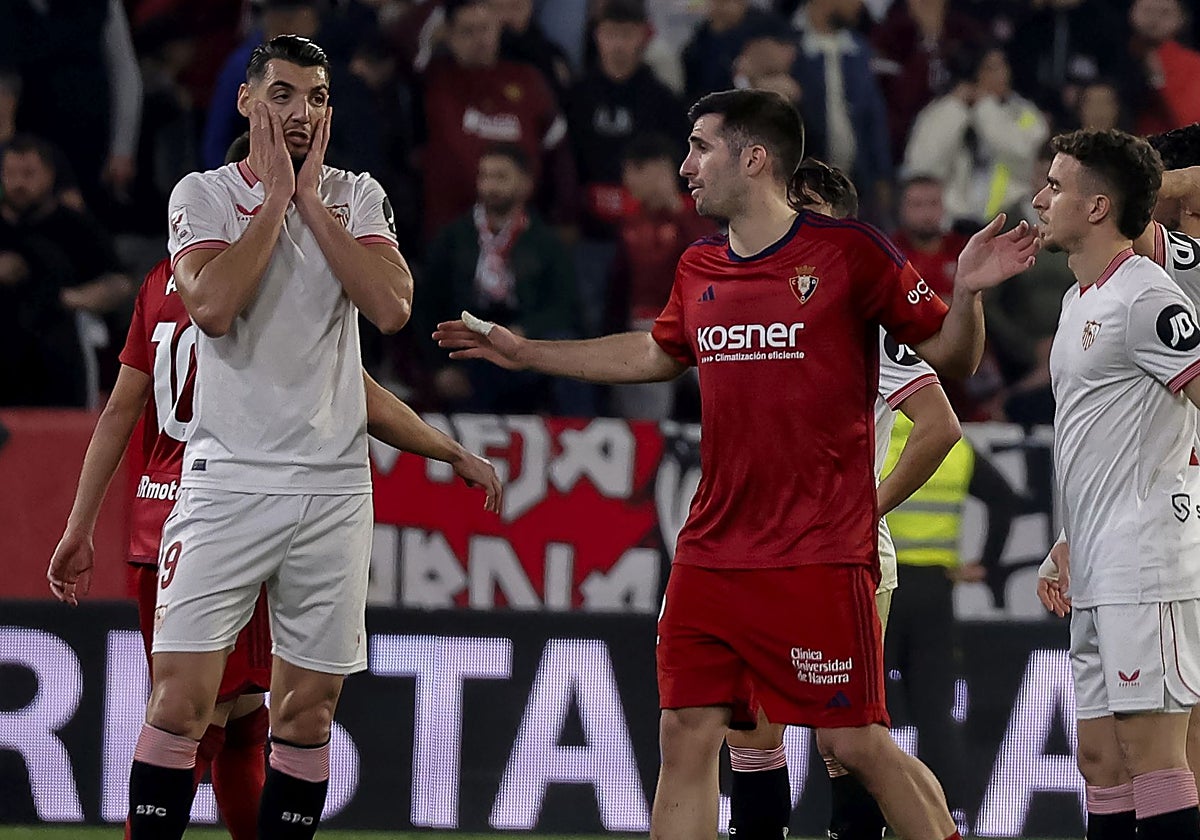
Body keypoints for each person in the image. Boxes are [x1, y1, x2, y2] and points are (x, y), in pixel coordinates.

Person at [434, 88, 1039, 840]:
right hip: (713, 549)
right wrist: (528, 352)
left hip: (818, 552)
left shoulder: (852, 255)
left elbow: (952, 358)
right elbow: (653, 353)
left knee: (853, 745)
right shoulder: (699, 266)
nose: (685, 166)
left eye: (700, 147)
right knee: (687, 731)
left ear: (753, 159)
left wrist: (967, 294)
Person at [79, 33, 409, 839]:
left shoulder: (358, 196)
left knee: (306, 712)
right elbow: (215, 307)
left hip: (332, 490)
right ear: (246, 101)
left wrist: (310, 204)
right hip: (224, 482)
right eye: (283, 94)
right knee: (180, 702)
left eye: (317, 98)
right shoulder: (202, 196)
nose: (301, 112)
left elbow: (391, 306)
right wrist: (273, 201)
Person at [721, 156, 962, 840]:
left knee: (849, 742)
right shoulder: (742, 305)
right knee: (752, 726)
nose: (794, 226)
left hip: (842, 559)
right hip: (756, 554)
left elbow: (940, 425)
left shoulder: (864, 317)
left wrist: (863, 509)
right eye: (788, 208)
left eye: (811, 213)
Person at [1032, 128, 1200, 839]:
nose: (1039, 199)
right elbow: (1090, 438)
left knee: (1155, 758)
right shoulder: (1079, 301)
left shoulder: (1147, 299)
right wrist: (1068, 537)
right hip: (1097, 558)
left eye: (1055, 186)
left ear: (1098, 207)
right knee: (1101, 760)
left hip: (1146, 560)